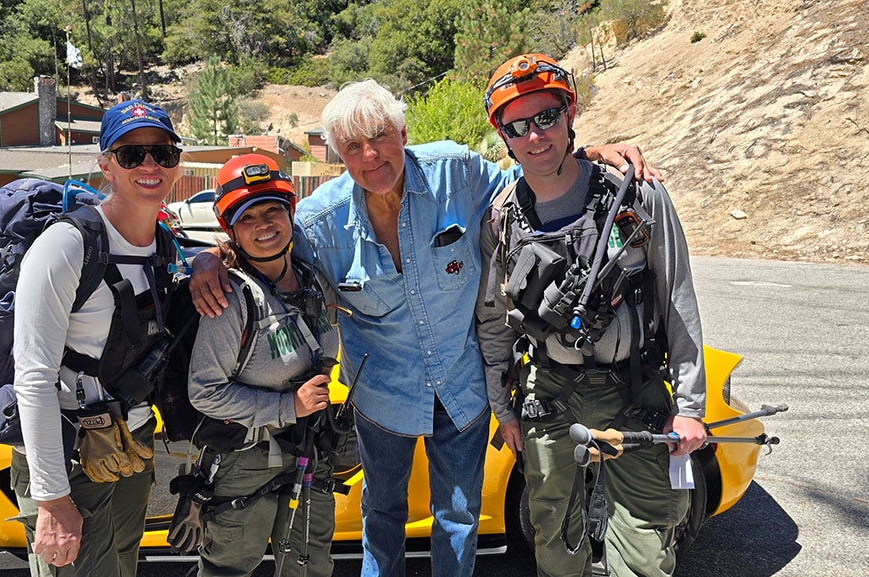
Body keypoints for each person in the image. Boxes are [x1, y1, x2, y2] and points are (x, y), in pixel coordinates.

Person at [189, 79, 657, 577]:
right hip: (381, 398)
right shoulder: (318, 223)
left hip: (463, 390)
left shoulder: (456, 172)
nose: (370, 155)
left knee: (458, 518)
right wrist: (209, 259)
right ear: (338, 156)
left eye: (379, 136)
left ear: (403, 131)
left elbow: (534, 179)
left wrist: (583, 157)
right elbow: (262, 246)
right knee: (382, 516)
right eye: (352, 146)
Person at [477, 53, 707, 577]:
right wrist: (503, 409)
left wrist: (691, 406)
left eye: (547, 118)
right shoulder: (501, 218)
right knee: (553, 542)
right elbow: (492, 322)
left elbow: (678, 299)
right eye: (517, 126)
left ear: (570, 112)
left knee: (648, 552)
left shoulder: (639, 193)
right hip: (548, 392)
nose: (535, 137)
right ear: (503, 137)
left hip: (635, 390)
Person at [11, 98, 183, 576]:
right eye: (131, 154)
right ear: (105, 164)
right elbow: (33, 376)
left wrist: (213, 259)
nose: (149, 165)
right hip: (68, 455)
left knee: (123, 567)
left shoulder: (163, 246)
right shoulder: (66, 246)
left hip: (131, 442)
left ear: (177, 164)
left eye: (162, 153)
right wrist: (51, 498)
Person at [174, 153, 342, 577]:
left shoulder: (314, 280)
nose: (264, 225)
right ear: (231, 230)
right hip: (245, 460)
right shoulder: (229, 299)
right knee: (227, 569)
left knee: (308, 567)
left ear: (290, 214)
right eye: (247, 218)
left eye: (273, 211)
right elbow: (205, 392)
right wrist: (290, 407)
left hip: (308, 450)